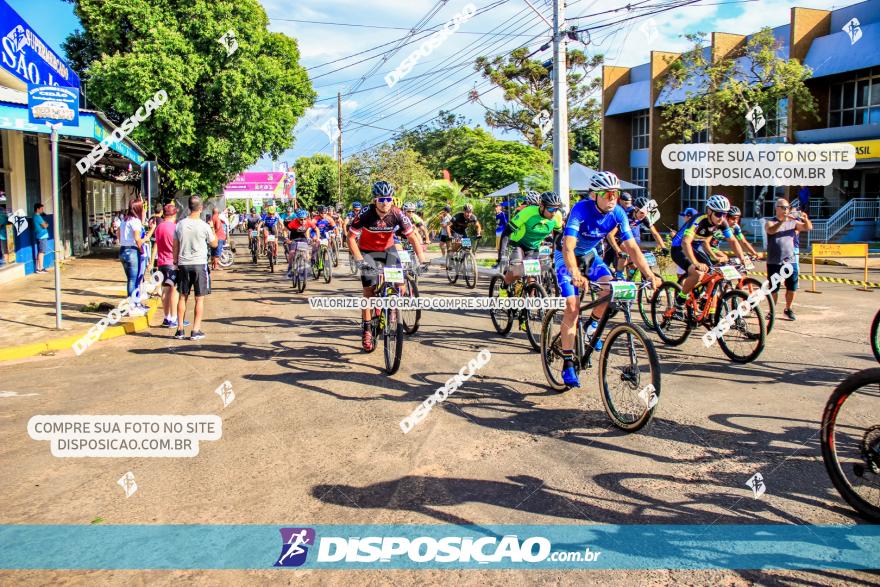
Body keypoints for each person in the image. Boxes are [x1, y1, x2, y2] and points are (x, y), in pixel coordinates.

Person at [556, 171, 662, 387]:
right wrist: (574, 272)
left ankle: (591, 326)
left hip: (590, 256)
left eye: (616, 193)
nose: (613, 197)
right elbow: (568, 246)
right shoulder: (581, 209)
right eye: (608, 193)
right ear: (595, 195)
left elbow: (632, 247)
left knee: (609, 288)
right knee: (572, 307)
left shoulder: (619, 213)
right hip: (566, 256)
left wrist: (649, 274)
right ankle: (567, 361)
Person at [348, 181, 428, 351]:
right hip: (368, 252)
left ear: (392, 199)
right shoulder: (365, 213)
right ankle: (367, 329)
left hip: (389, 251)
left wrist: (422, 259)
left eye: (388, 199)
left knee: (400, 286)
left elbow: (413, 237)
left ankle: (392, 309)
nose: (385, 202)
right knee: (369, 293)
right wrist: (359, 259)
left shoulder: (397, 213)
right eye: (381, 199)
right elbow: (350, 237)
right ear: (374, 200)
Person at [669, 195, 749, 318]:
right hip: (680, 247)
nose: (721, 218)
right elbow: (686, 242)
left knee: (714, 273)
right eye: (718, 214)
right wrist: (695, 263)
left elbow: (733, 241)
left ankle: (704, 300)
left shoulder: (723, 222)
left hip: (696, 246)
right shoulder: (699, 220)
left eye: (724, 214)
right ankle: (680, 300)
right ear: (709, 211)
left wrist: (742, 259)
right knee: (697, 273)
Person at [173, 196, 218, 340]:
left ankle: (179, 329)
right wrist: (211, 227)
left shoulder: (180, 224)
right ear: (201, 208)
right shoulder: (204, 226)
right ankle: (195, 330)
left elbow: (175, 245)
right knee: (199, 299)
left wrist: (176, 262)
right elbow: (214, 244)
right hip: (199, 265)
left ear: (189, 207)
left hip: (183, 264)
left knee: (182, 297)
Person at [765, 197, 812, 320]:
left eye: (788, 208)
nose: (786, 210)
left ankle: (788, 308)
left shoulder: (793, 223)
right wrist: (782, 222)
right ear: (777, 209)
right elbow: (770, 231)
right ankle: (772, 311)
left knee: (792, 287)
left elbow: (807, 228)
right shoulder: (770, 222)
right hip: (774, 261)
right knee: (774, 288)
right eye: (784, 208)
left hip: (790, 261)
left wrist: (806, 220)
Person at [604, 195, 665, 278]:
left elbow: (655, 233)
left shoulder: (644, 217)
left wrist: (663, 247)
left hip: (625, 239)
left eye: (646, 213)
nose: (643, 215)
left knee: (633, 267)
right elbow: (610, 235)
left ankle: (629, 280)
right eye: (642, 213)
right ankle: (619, 274)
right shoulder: (625, 216)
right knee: (625, 251)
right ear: (636, 209)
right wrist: (618, 251)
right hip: (614, 240)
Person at [118, 198, 156, 315]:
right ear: (138, 209)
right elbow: (138, 240)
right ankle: (132, 306)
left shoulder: (124, 220)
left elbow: (118, 235)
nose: (144, 210)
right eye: (143, 208)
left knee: (131, 280)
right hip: (132, 251)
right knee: (133, 280)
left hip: (123, 250)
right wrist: (149, 234)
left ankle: (135, 304)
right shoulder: (135, 221)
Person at [154, 203, 187, 329]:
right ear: (174, 214)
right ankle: (174, 318)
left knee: (165, 291)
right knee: (174, 291)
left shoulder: (159, 227)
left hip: (161, 262)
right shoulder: (175, 228)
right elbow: (178, 246)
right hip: (172, 263)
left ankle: (167, 317)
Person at [285, 209, 319, 277]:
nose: (303, 221)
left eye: (304, 219)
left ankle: (305, 269)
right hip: (294, 239)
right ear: (298, 218)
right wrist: (286, 238)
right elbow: (285, 230)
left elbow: (316, 229)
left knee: (306, 254)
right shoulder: (293, 222)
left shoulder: (308, 222)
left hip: (303, 238)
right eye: (301, 219)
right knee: (291, 253)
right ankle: (290, 267)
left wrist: (317, 237)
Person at [33, 202, 50, 273]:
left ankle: (38, 267)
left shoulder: (36, 216)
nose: (42, 210)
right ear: (37, 209)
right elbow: (45, 225)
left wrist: (45, 224)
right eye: (41, 209)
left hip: (40, 235)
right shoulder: (37, 217)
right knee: (42, 252)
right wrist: (46, 224)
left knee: (40, 252)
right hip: (42, 236)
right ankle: (41, 268)